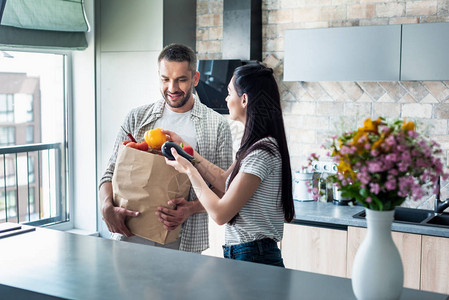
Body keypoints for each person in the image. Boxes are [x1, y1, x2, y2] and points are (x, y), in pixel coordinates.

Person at [99, 44, 233, 253]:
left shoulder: (216, 126)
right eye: (165, 79)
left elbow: (225, 187)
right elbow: (110, 171)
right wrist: (106, 206)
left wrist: (190, 209)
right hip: (129, 237)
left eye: (181, 79)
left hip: (184, 241)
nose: (172, 88)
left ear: (195, 78)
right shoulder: (137, 118)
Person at [164, 63, 295, 267]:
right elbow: (225, 181)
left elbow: (220, 213)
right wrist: (185, 149)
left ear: (244, 100)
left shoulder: (261, 152)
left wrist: (189, 170)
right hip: (249, 254)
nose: (226, 99)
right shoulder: (256, 145)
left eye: (229, 93)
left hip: (254, 256)